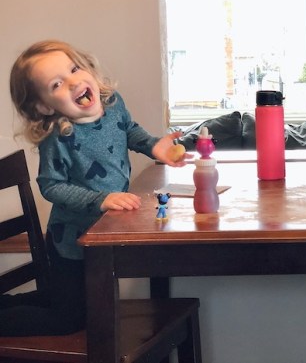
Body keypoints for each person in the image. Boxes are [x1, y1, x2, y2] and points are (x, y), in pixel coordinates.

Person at [3, 39, 187, 336]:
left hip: (102, 234)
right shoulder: (58, 137)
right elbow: (51, 185)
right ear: (43, 106)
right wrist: (102, 199)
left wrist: (155, 147)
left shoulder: (113, 103)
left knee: (67, 302)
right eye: (56, 84)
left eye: (74, 69)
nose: (74, 81)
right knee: (71, 318)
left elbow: (129, 131)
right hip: (71, 241)